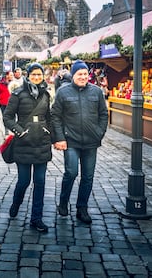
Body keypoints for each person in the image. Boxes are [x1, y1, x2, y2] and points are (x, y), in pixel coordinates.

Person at [50, 60, 108, 224]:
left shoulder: (96, 92)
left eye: (84, 74)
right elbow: (55, 116)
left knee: (88, 176)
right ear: (73, 75)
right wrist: (60, 138)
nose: (82, 77)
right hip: (71, 141)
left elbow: (103, 114)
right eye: (79, 74)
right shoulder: (63, 92)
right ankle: (63, 202)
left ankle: (82, 208)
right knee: (72, 172)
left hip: (91, 141)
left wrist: (99, 133)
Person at [3, 62, 53, 232]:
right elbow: (7, 117)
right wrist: (20, 132)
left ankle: (36, 218)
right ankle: (16, 203)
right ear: (28, 75)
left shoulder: (46, 94)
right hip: (23, 144)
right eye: (34, 75)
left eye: (39, 75)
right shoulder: (18, 94)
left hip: (42, 144)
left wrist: (51, 133)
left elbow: (50, 117)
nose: (37, 77)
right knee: (24, 181)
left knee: (40, 182)